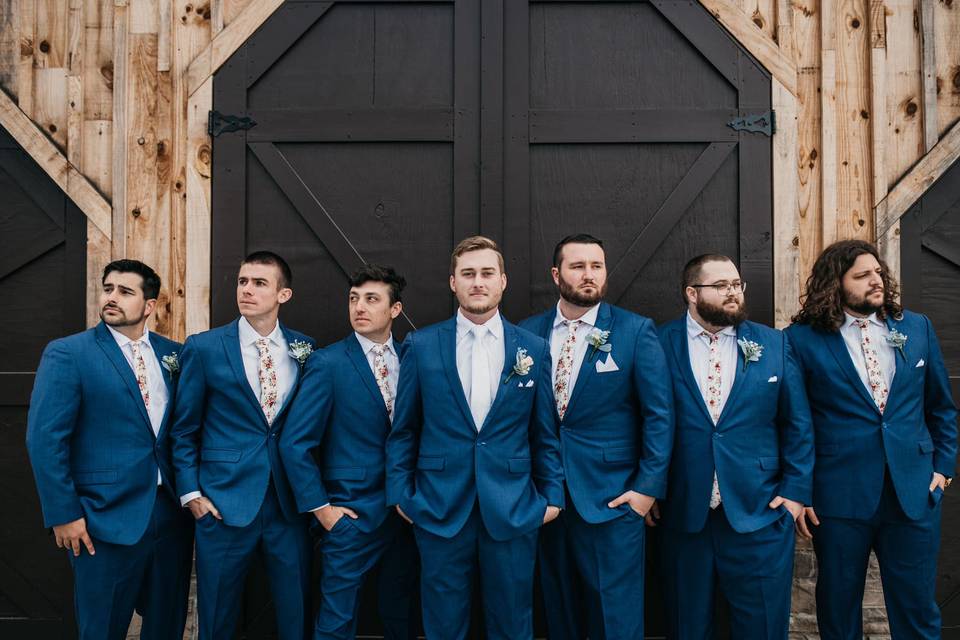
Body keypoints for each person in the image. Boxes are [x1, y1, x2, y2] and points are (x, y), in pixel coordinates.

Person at [386, 235, 564, 640]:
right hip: (438, 507)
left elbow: (543, 431)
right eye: (468, 274)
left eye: (487, 273)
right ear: (453, 283)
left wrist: (552, 497)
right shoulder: (422, 344)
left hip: (514, 505)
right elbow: (405, 429)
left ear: (503, 281)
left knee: (513, 620)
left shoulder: (532, 348)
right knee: (443, 623)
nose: (478, 282)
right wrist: (400, 495)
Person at [787, 240, 957, 639]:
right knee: (838, 606)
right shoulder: (801, 339)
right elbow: (797, 422)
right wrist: (802, 489)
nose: (875, 281)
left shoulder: (916, 327)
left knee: (917, 608)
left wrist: (943, 469)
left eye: (877, 272)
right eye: (862, 276)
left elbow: (941, 407)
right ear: (836, 284)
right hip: (838, 494)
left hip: (913, 490)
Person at [26, 259, 193, 639]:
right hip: (102, 518)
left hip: (170, 516)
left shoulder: (176, 355)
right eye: (108, 289)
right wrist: (63, 513)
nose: (112, 297)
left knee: (167, 624)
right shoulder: (69, 353)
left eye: (125, 291)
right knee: (102, 628)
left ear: (149, 306)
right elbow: (44, 439)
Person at [520, 234, 674, 639]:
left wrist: (646, 489)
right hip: (544, 498)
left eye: (597, 266)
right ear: (556, 274)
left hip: (613, 497)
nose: (589, 275)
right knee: (557, 611)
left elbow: (659, 414)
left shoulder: (635, 330)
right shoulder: (527, 333)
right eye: (578, 266)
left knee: (615, 618)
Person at [654, 253, 813, 639]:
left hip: (759, 513)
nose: (733, 293)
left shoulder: (773, 344)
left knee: (761, 627)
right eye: (721, 285)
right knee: (687, 626)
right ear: (692, 293)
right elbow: (641, 420)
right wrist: (649, 487)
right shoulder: (658, 343)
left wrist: (793, 494)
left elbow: (798, 424)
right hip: (684, 514)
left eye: (737, 285)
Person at [170, 251, 315, 640]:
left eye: (259, 283)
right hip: (222, 504)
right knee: (217, 616)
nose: (247, 290)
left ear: (283, 295)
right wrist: (192, 494)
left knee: (295, 612)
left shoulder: (306, 349)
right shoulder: (204, 347)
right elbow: (183, 429)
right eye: (242, 282)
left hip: (288, 504)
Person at [281, 263, 418, 639]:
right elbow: (295, 443)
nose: (359, 306)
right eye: (354, 298)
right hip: (350, 515)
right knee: (336, 620)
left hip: (407, 515)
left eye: (372, 299)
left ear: (395, 309)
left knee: (401, 614)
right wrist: (324, 512)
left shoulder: (413, 358)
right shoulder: (328, 363)